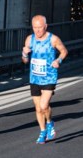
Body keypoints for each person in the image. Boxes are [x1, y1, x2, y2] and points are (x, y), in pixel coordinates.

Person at [22, 15, 68, 144]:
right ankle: (43, 131)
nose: (37, 30)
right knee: (38, 109)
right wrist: (24, 53)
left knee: (44, 105)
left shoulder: (53, 39)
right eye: (35, 28)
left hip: (49, 77)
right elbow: (25, 61)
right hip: (35, 77)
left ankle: (49, 122)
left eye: (40, 28)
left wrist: (58, 60)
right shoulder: (29, 39)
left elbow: (64, 51)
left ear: (45, 26)